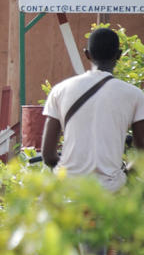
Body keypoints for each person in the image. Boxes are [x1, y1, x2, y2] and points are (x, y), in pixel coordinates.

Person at [41, 27, 144, 191]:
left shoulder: (60, 90)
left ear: (87, 54)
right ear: (118, 55)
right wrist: (126, 174)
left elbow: (48, 155)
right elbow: (141, 153)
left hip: (69, 192)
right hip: (110, 192)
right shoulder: (135, 95)